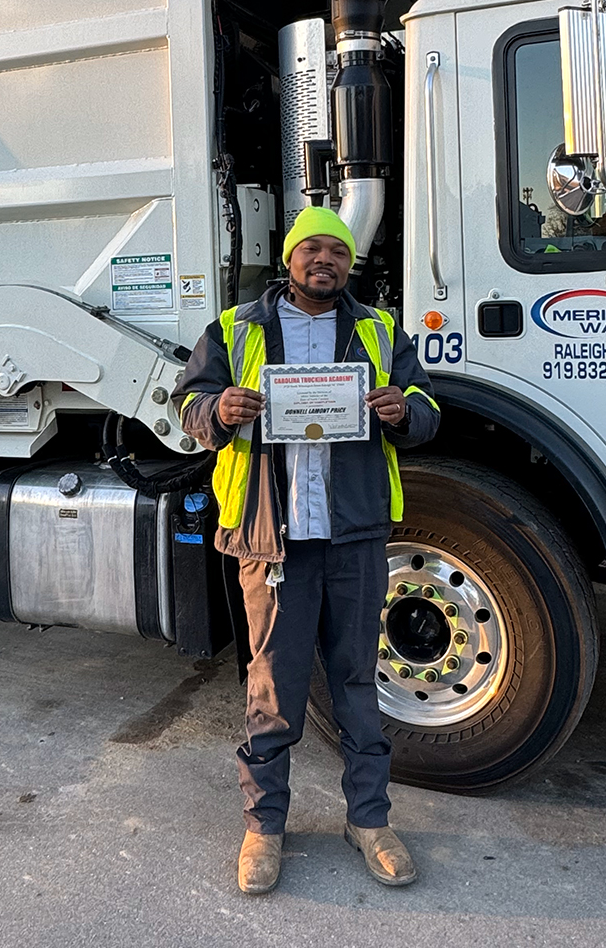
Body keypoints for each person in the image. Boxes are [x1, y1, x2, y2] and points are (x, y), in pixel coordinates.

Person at [172, 207, 440, 895]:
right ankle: (264, 827)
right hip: (272, 537)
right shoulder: (236, 329)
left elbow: (427, 407)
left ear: (350, 264)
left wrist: (404, 410)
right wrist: (217, 412)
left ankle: (370, 822)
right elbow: (188, 402)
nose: (324, 260)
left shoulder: (379, 330)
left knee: (356, 681)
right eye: (310, 249)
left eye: (337, 252)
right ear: (289, 259)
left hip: (351, 534)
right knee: (273, 687)